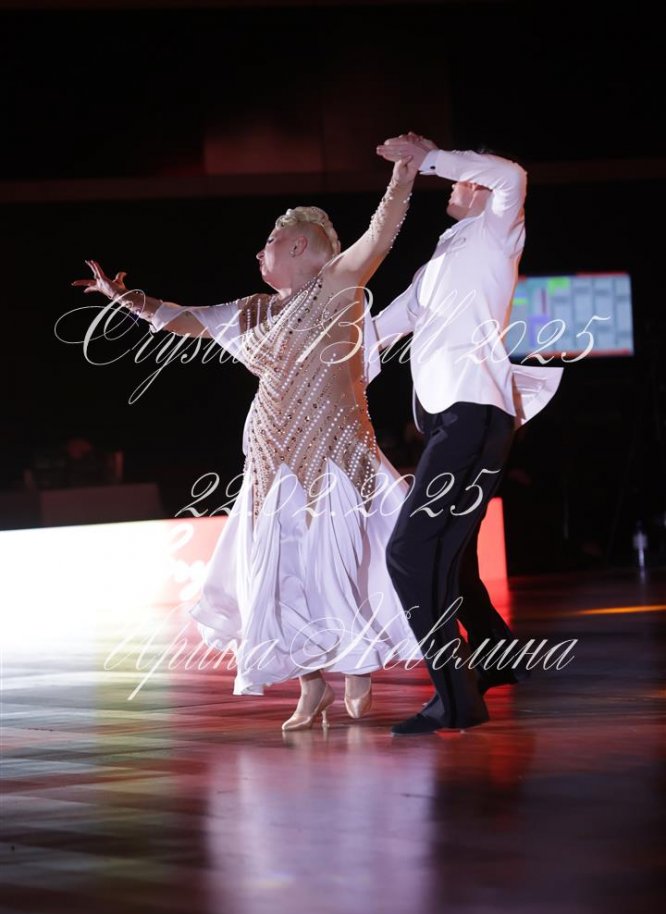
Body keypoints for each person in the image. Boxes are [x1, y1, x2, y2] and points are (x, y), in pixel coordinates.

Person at [72, 155, 423, 731]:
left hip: (335, 452)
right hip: (270, 459)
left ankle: (357, 663)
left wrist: (403, 175)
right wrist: (123, 299)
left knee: (340, 560)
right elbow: (184, 318)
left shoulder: (337, 286)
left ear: (299, 246)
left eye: (269, 242)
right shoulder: (253, 310)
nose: (259, 253)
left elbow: (380, 234)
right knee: (280, 571)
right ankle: (311, 684)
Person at [370, 133, 561, 734]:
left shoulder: (497, 231)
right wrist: (316, 355)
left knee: (410, 553)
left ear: (479, 187)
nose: (452, 185)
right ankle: (495, 657)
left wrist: (428, 157)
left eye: (460, 177)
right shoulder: (443, 256)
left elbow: (512, 174)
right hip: (455, 420)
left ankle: (455, 699)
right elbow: (388, 323)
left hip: (473, 414)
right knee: (449, 555)